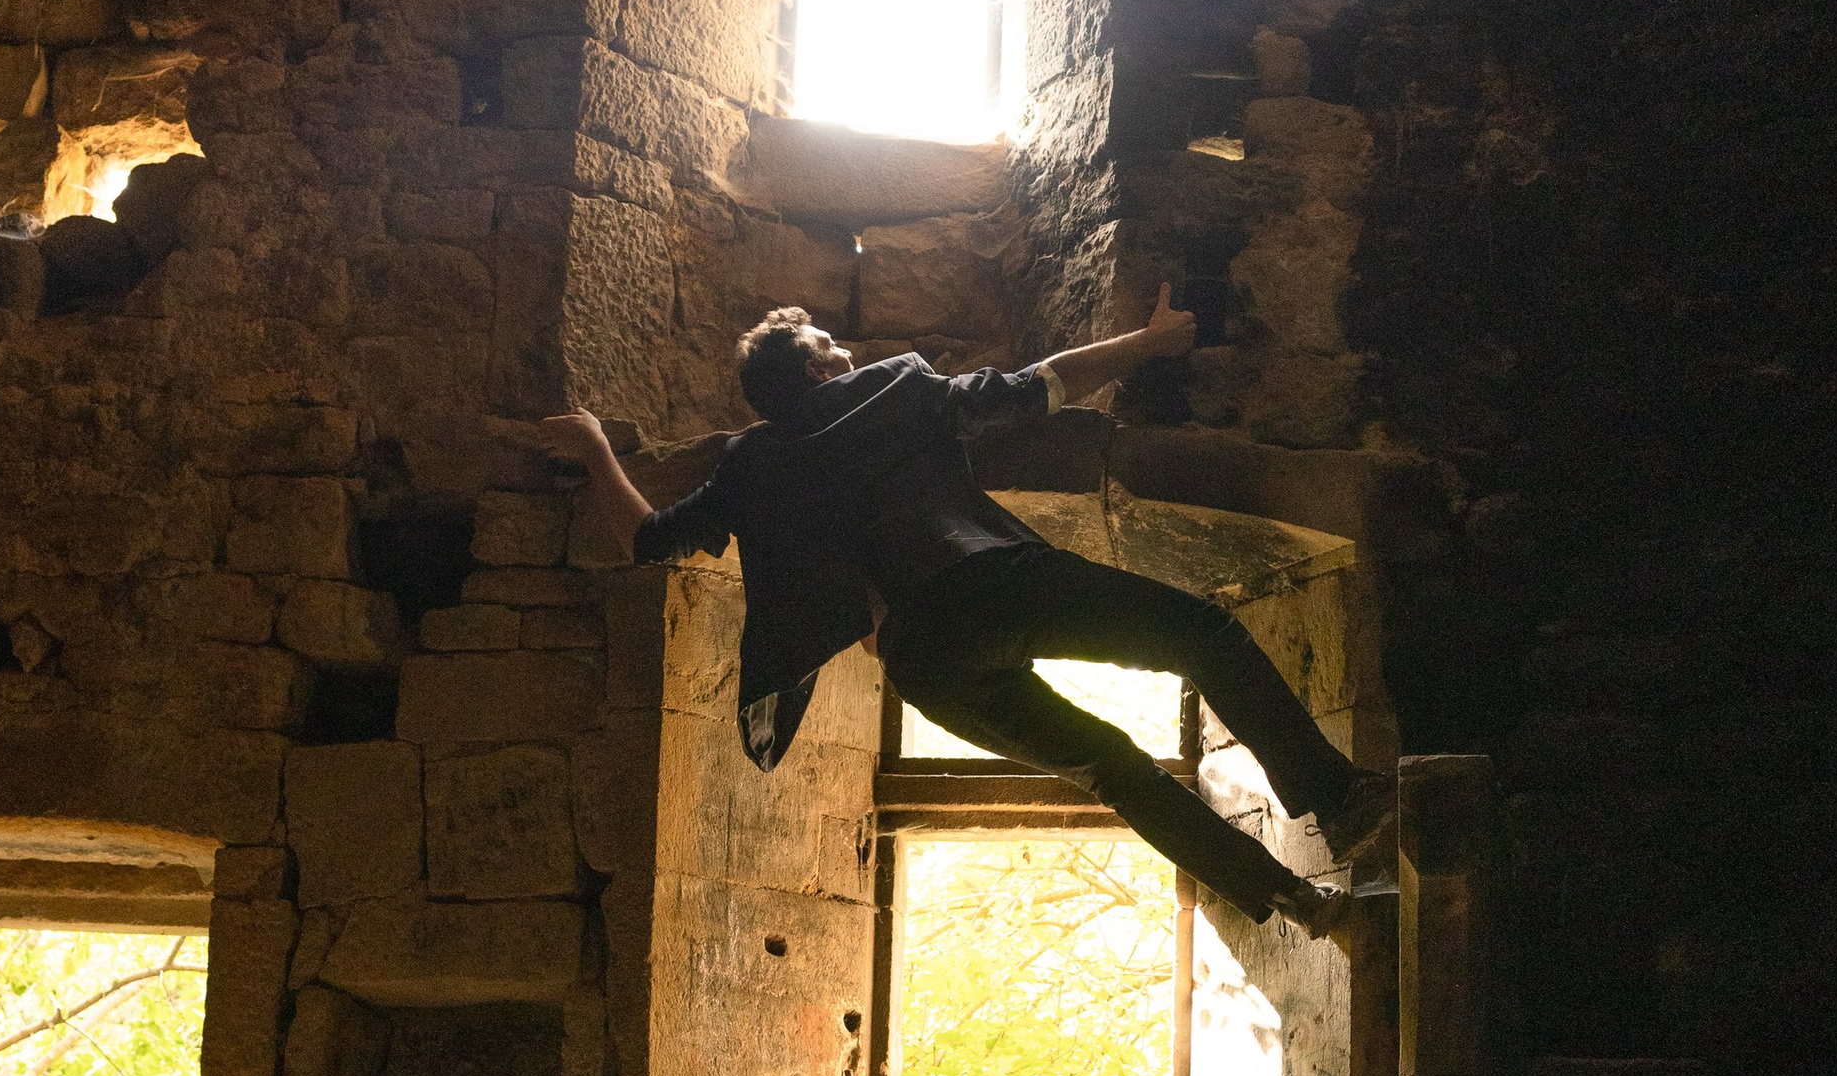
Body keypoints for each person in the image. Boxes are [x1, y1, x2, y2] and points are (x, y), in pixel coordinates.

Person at [527, 289, 1395, 936]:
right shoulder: (893, 386)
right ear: (815, 367)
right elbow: (1039, 386)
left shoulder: (748, 465)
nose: (847, 348)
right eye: (831, 344)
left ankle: (1292, 902)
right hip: (990, 582)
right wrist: (1152, 340)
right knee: (1200, 635)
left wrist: (597, 445)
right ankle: (1338, 802)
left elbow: (647, 540)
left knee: (1110, 767)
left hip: (922, 660)